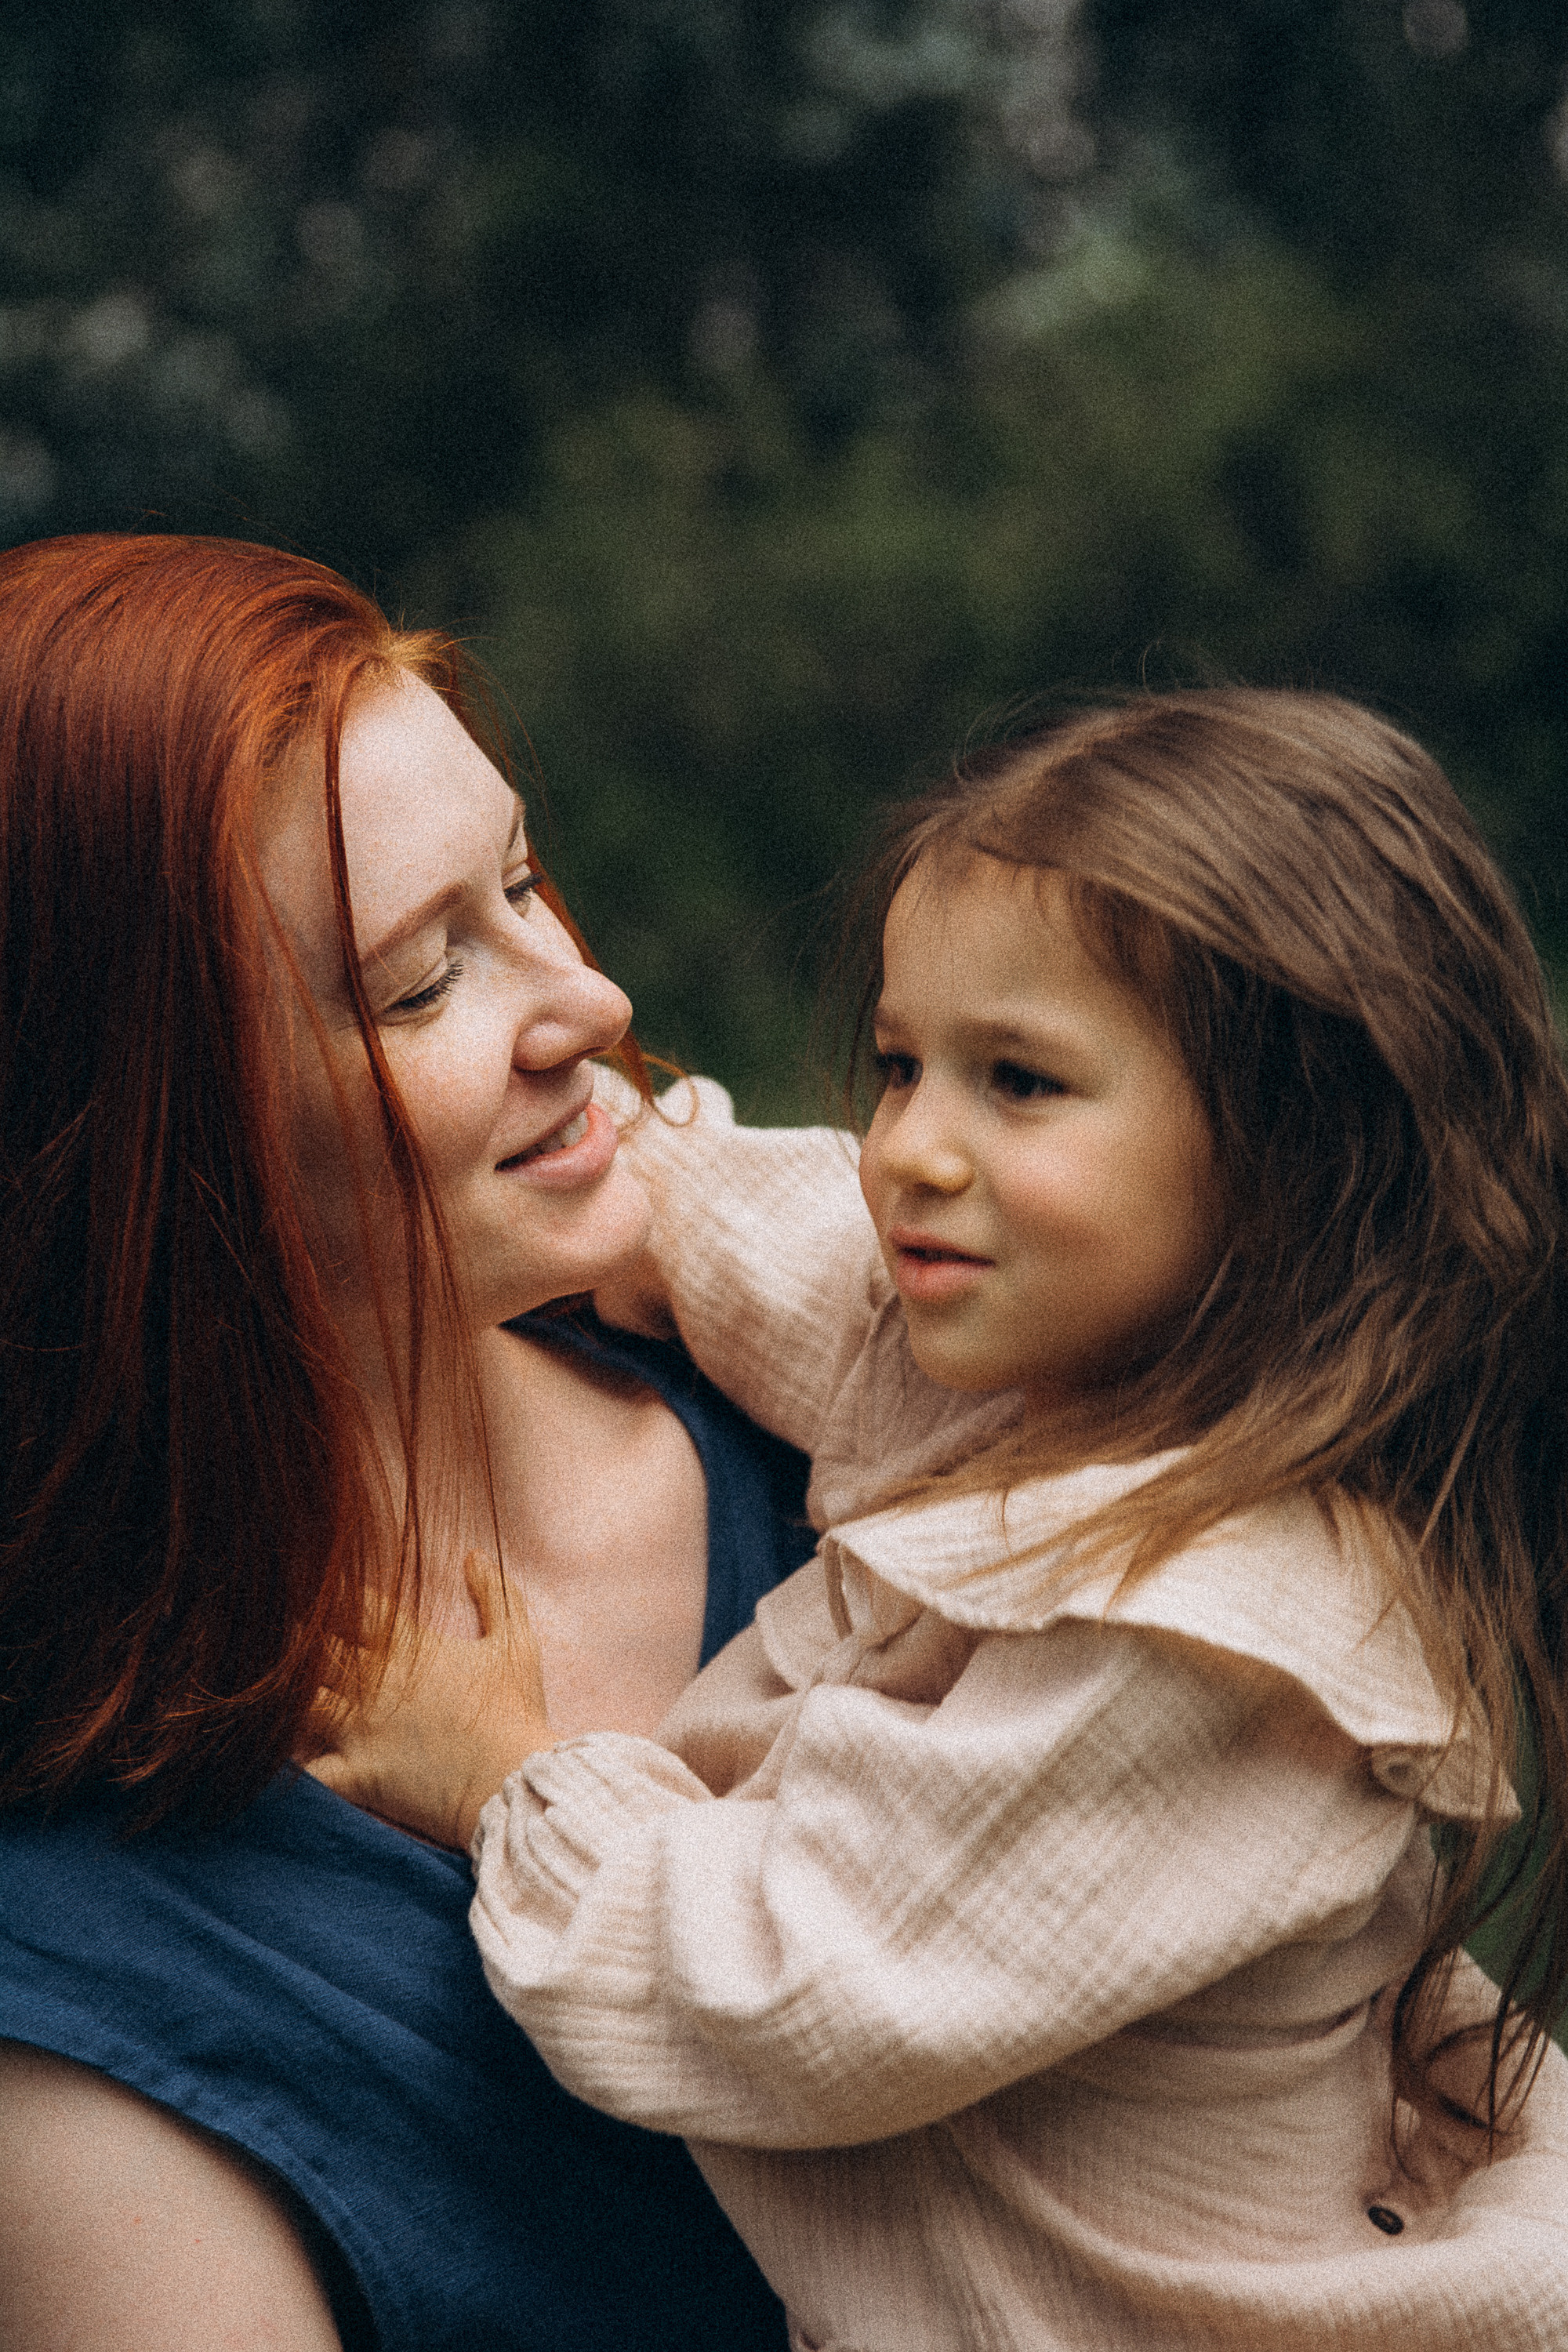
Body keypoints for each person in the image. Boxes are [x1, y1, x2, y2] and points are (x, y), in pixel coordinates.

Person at [312, 691, 1568, 2349]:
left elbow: (792, 1994)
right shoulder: (1050, 1361)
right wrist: (574, 1177)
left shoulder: (1216, 1642)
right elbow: (777, 1248)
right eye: (905, 1063)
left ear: (1293, 1157)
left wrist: (507, 1777)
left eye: (1021, 1081)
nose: (912, 1149)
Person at [0, 532, 810, 2351]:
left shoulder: (866, 1447)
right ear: (152, 1136)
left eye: (524, 884)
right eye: (420, 981)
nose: (588, 1006)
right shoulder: (80, 1996)